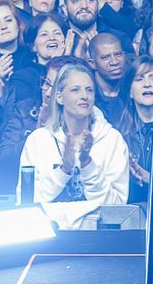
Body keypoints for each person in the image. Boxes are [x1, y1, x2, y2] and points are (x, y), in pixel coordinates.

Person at [18, 58, 130, 205]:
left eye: (89, 90)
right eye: (75, 89)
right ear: (59, 97)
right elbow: (25, 201)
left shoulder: (112, 140)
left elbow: (118, 206)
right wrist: (64, 170)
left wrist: (87, 164)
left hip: (96, 227)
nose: (84, 95)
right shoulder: (38, 140)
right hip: (49, 226)